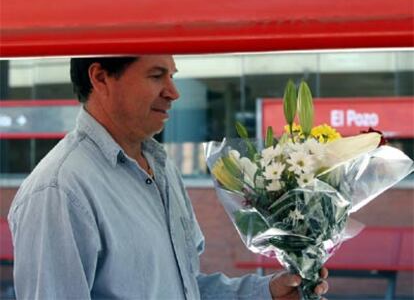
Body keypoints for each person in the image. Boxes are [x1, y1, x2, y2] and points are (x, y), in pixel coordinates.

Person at [8, 55, 328, 300]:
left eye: (172, 76)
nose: (173, 92)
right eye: (156, 75)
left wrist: (266, 292)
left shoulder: (161, 167)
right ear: (101, 77)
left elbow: (185, 287)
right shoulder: (60, 190)